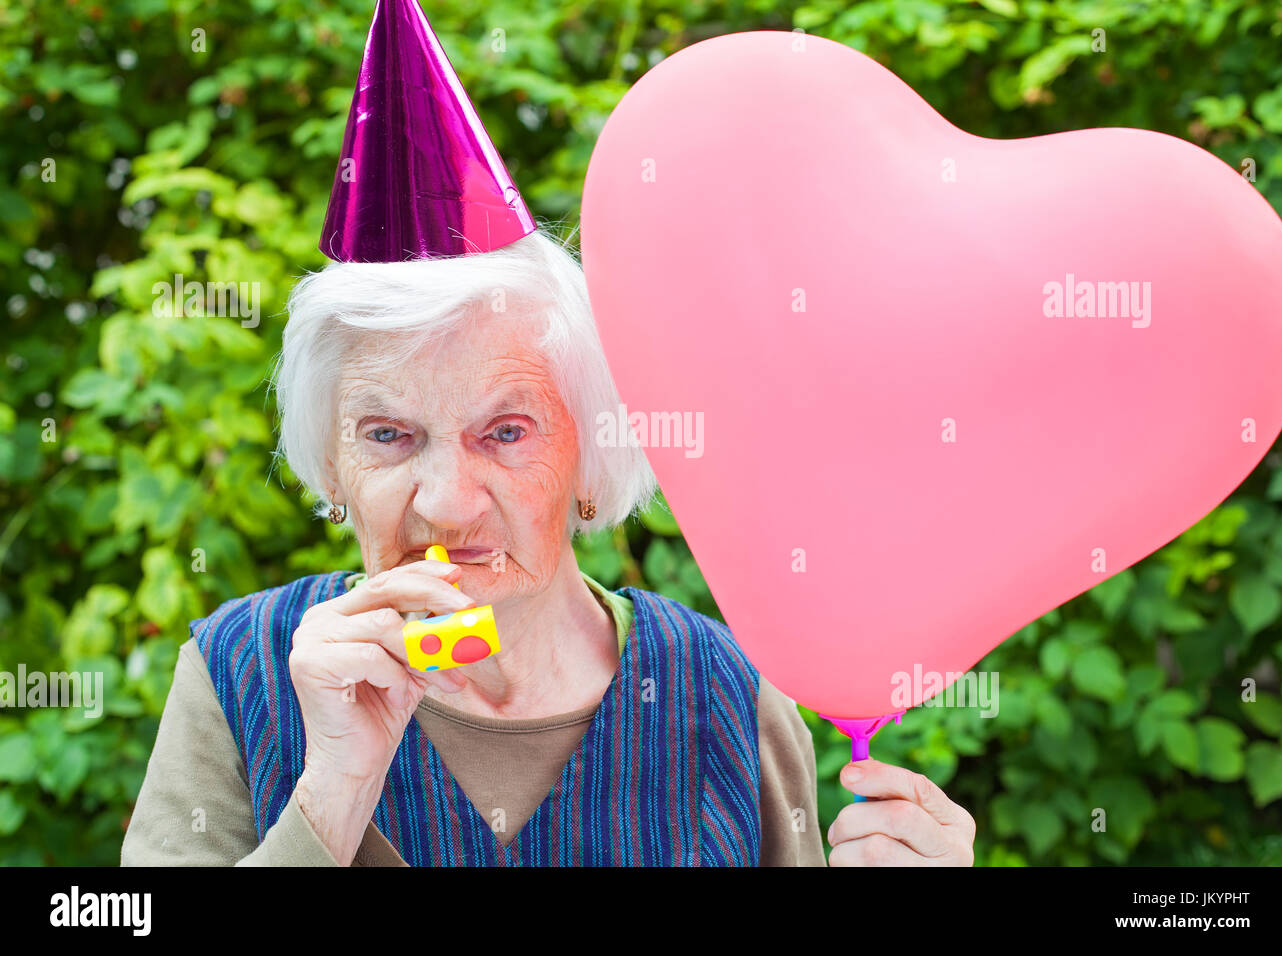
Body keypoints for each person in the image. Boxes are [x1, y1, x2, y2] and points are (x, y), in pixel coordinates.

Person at [120, 0, 975, 867]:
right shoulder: (239, 675)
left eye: (506, 432)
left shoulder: (726, 695)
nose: (447, 503)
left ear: (591, 458)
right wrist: (332, 793)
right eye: (387, 435)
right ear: (332, 467)